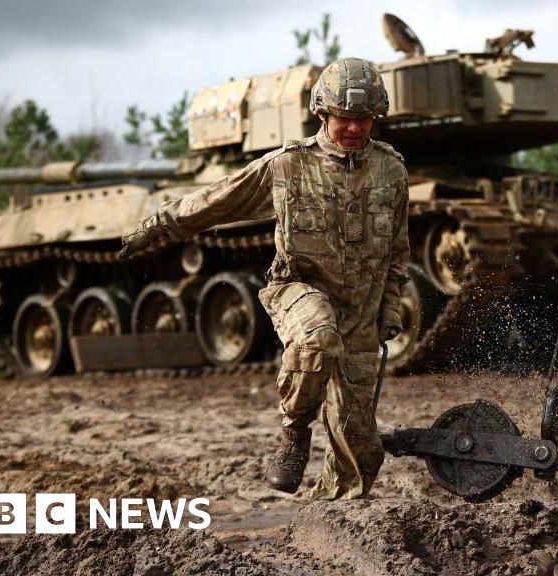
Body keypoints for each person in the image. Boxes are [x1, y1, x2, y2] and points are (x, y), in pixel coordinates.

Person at [119, 57, 409, 500]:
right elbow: (218, 199)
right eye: (345, 118)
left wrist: (389, 306)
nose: (354, 128)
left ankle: (334, 511)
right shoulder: (289, 166)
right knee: (316, 337)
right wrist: (156, 227)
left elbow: (398, 251)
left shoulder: (392, 170)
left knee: (359, 448)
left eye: (364, 119)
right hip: (298, 289)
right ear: (322, 112)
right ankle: (294, 435)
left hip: (361, 308)